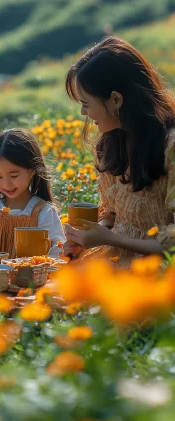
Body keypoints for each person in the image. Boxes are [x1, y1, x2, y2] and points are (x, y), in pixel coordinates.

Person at [63, 36, 175, 268]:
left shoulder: (170, 145)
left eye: (86, 103)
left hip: (157, 276)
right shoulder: (112, 143)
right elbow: (112, 214)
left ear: (115, 99)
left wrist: (108, 238)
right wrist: (89, 237)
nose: (84, 113)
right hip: (114, 264)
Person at [0, 128, 64, 258]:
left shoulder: (43, 212)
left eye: (14, 176)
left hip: (30, 277)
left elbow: (58, 253)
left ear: (32, 170)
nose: (6, 184)